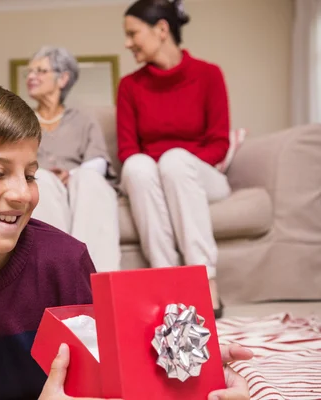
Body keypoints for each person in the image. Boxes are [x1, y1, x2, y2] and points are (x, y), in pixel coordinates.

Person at [0, 82, 253, 400]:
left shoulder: (66, 259)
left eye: (30, 175)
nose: (22, 194)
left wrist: (188, 369)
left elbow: (118, 362)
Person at [117, 0, 231, 317]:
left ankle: (206, 280)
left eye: (132, 33)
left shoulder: (209, 75)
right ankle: (165, 281)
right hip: (151, 178)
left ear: (162, 29)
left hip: (201, 175)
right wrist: (159, 170)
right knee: (137, 166)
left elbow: (219, 143)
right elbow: (128, 150)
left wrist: (173, 164)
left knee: (175, 162)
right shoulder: (129, 86)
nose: (127, 43)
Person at [27, 46, 121, 273]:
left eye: (40, 71)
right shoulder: (23, 119)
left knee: (89, 179)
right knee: (42, 181)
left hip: (81, 188)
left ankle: (98, 283)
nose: (31, 77)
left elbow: (98, 160)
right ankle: (61, 278)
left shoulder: (83, 119)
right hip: (43, 185)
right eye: (29, 72)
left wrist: (72, 176)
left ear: (63, 78)